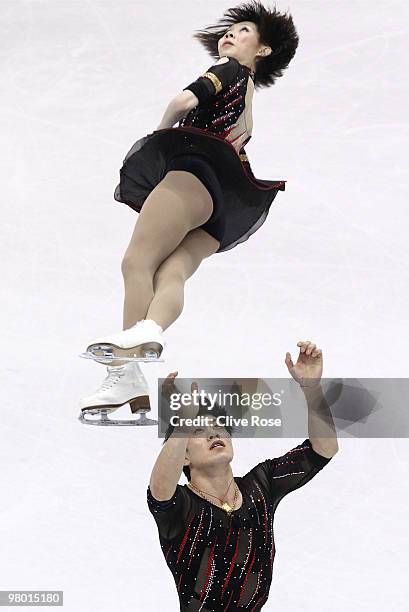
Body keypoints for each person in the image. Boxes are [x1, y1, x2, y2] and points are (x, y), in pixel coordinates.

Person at [79, 1, 300, 422]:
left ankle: (125, 375)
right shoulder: (249, 94)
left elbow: (183, 103)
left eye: (245, 30)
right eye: (231, 30)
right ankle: (150, 332)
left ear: (264, 50)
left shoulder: (229, 70)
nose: (232, 35)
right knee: (171, 272)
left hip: (192, 174)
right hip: (223, 206)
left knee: (136, 262)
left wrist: (161, 141)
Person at [147, 341, 338, 610]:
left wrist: (312, 389)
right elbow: (159, 491)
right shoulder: (181, 508)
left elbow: (324, 449)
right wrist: (182, 425)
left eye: (218, 427)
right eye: (199, 431)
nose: (214, 433)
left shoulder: (261, 486)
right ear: (184, 457)